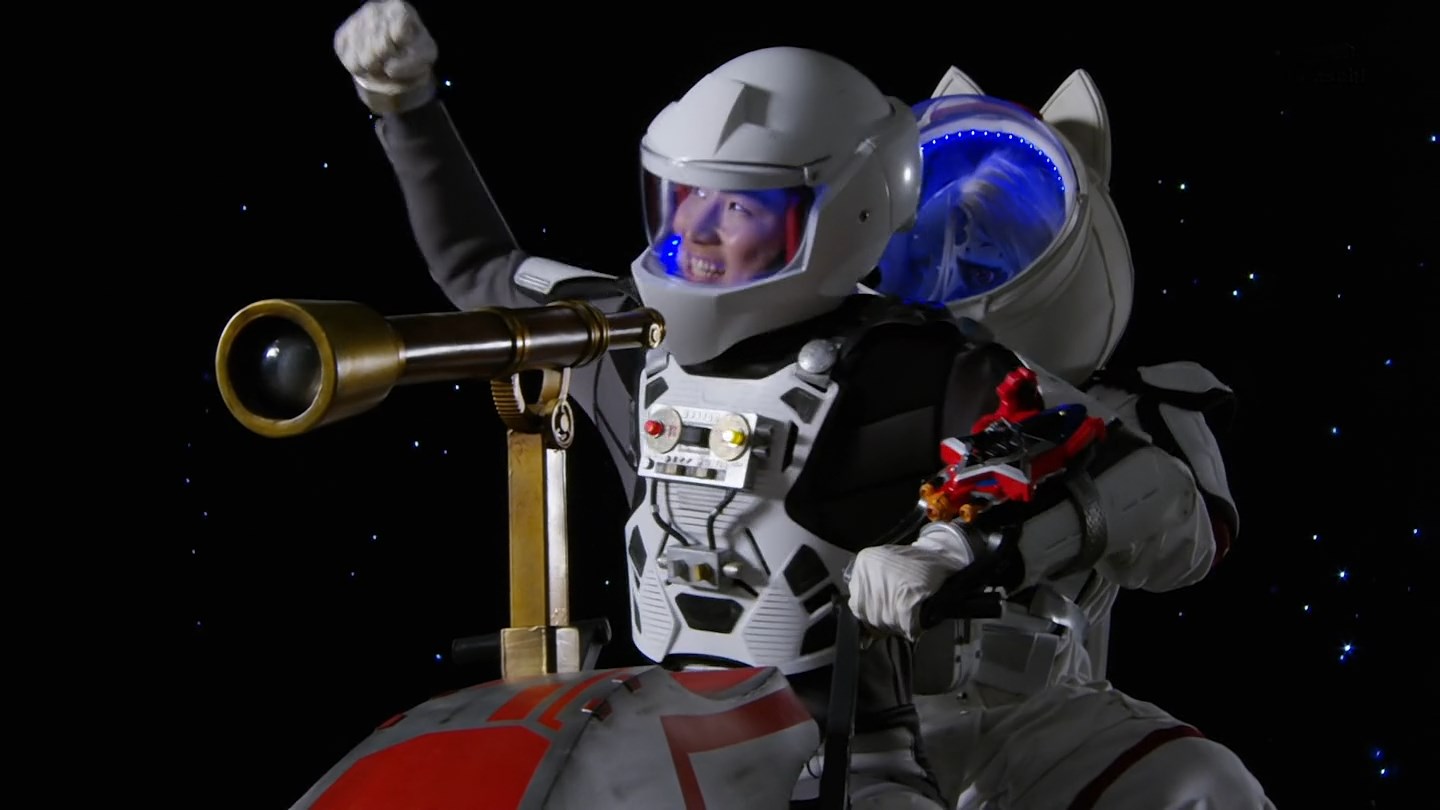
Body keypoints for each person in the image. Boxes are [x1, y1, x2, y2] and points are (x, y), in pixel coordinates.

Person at [332, 4, 1266, 807]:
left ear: (846, 214)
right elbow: (479, 268)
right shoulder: (618, 333)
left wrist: (960, 544)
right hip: (707, 719)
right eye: (683, 198)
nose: (694, 233)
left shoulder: (922, 367)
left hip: (910, 726)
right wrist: (406, 107)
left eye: (738, 207)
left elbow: (1116, 474)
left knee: (1196, 786)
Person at [846, 75, 1275, 808]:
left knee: (1202, 789)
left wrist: (983, 538)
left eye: (987, 259)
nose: (959, 275)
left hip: (1035, 722)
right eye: (944, 250)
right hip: (842, 710)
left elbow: (1186, 542)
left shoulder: (1131, 410)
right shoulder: (845, 381)